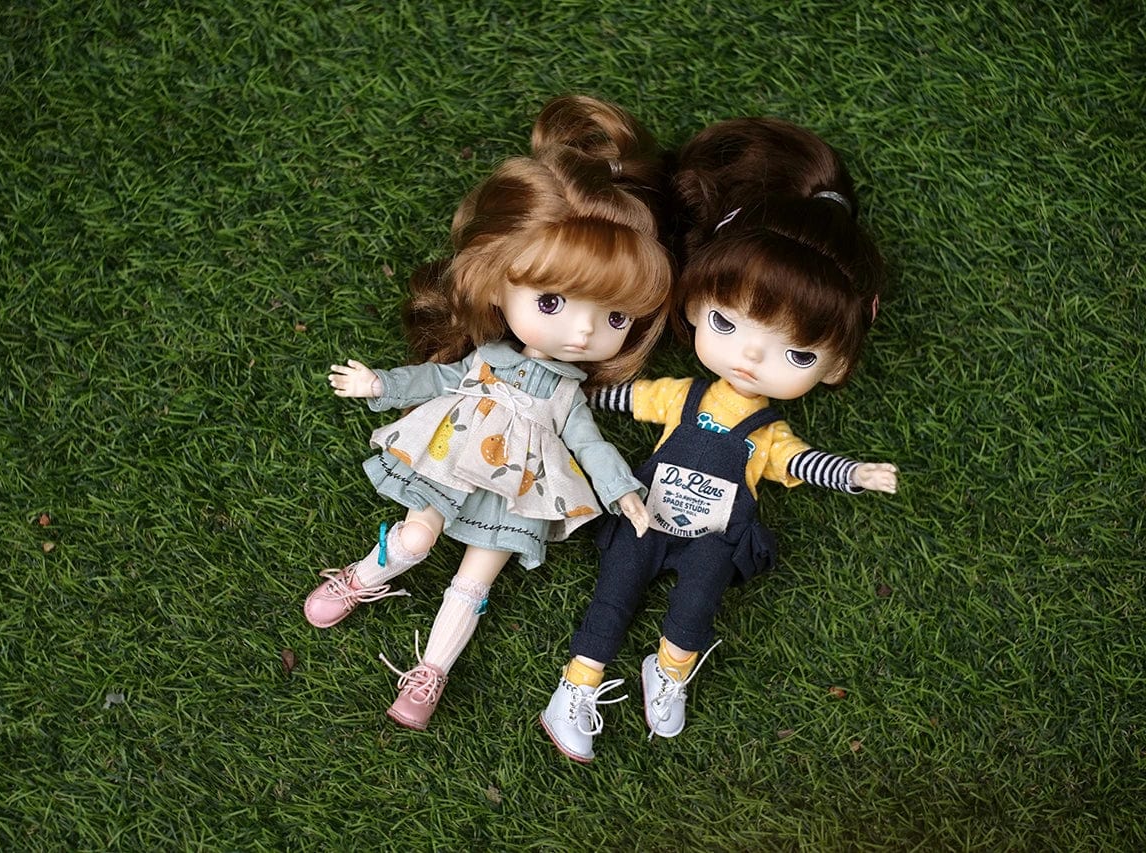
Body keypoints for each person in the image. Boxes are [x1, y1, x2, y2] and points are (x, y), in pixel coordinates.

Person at [305, 95, 674, 731]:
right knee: (416, 537)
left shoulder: (566, 395)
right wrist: (379, 384)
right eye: (553, 302)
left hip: (516, 493)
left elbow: (591, 447)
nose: (583, 333)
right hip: (450, 458)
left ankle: (431, 672)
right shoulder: (487, 359)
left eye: (615, 317)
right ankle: (360, 577)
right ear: (497, 279)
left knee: (474, 584)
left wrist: (622, 490)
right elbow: (437, 378)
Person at [540, 117, 900, 762]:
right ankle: (576, 686)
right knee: (612, 596)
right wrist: (573, 394)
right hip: (645, 512)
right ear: (694, 303)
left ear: (835, 366)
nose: (750, 359)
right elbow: (627, 398)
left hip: (713, 534)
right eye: (726, 323)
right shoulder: (684, 395)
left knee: (696, 605)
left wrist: (853, 474)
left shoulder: (768, 432)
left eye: (797, 354)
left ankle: (668, 671)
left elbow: (802, 462)